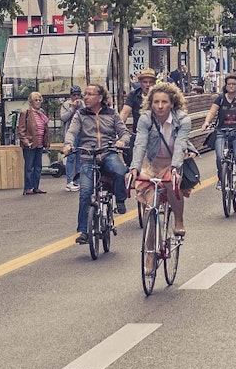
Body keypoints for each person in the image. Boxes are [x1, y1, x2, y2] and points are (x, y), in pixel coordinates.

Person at [129, 83, 194, 250]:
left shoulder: (183, 120)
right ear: (150, 103)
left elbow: (180, 145)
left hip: (173, 161)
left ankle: (178, 219)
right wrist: (134, 168)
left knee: (171, 184)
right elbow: (140, 143)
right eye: (156, 102)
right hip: (151, 162)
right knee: (148, 207)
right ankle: (151, 250)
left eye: (164, 102)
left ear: (172, 103)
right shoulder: (146, 119)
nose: (159, 106)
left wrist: (175, 169)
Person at [63, 84, 130, 243]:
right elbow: (72, 132)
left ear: (100, 98)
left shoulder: (112, 114)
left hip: (108, 153)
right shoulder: (80, 114)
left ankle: (120, 200)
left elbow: (124, 133)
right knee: (85, 192)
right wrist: (68, 144)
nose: (85, 97)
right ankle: (83, 231)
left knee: (120, 171)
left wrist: (121, 141)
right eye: (85, 94)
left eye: (90, 94)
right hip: (88, 157)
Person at [204, 75, 236, 196]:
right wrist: (206, 122)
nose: (231, 86)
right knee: (219, 157)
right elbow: (212, 111)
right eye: (228, 84)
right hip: (222, 132)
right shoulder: (220, 99)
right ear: (225, 86)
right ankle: (222, 180)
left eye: (233, 84)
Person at [18, 92, 50, 195]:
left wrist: (46, 142)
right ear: (30, 101)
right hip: (30, 144)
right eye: (36, 100)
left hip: (39, 144)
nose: (38, 102)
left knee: (38, 167)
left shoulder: (42, 113)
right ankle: (28, 188)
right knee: (29, 167)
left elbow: (45, 128)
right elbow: (21, 129)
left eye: (40, 100)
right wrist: (26, 141)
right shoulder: (25, 113)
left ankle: (36, 187)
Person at [59, 86, 86, 192]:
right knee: (70, 158)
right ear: (71, 95)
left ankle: (77, 181)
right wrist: (72, 108)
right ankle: (69, 182)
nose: (76, 97)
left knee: (80, 158)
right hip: (71, 134)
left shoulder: (82, 104)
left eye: (78, 95)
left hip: (81, 134)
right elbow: (63, 118)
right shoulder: (66, 104)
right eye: (74, 95)